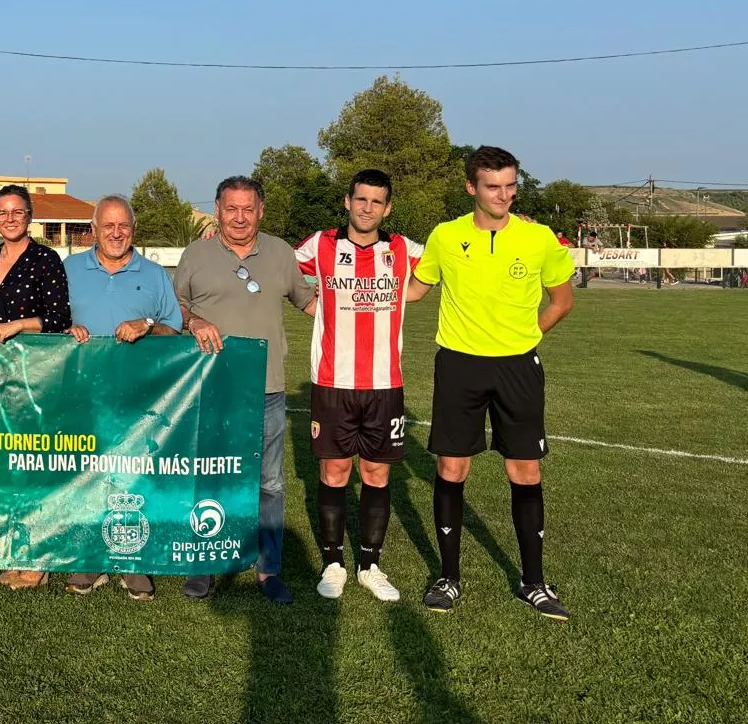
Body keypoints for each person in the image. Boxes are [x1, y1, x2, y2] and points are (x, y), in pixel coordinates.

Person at [404, 146, 576, 620]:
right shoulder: (445, 236)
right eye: (493, 187)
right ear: (471, 188)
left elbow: (561, 301)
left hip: (518, 367)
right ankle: (448, 577)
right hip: (458, 366)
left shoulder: (539, 238)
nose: (504, 195)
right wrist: (357, 286)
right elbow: (416, 290)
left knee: (525, 471)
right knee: (452, 468)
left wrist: (523, 338)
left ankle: (534, 582)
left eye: (511, 186)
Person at [175, 175, 316, 606]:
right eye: (230, 208)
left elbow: (309, 304)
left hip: (268, 389)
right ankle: (205, 564)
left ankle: (267, 569)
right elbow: (173, 307)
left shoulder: (279, 253)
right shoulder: (195, 255)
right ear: (217, 210)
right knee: (209, 478)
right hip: (211, 389)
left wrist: (362, 309)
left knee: (268, 484)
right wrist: (193, 320)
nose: (239, 217)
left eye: (247, 209)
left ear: (261, 211)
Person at [294, 169, 422, 603]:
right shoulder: (321, 245)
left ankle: (370, 565)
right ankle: (333, 563)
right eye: (361, 199)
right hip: (332, 382)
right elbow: (278, 270)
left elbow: (448, 264)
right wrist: (311, 305)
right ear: (347, 201)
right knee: (334, 471)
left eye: (377, 202)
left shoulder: (404, 249)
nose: (368, 208)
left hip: (386, 384)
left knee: (377, 472)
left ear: (387, 208)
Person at [63, 195, 182, 601]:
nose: (116, 233)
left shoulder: (153, 274)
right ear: (93, 229)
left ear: (134, 229)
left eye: (124, 226)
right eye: (108, 226)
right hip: (82, 391)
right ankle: (90, 559)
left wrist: (148, 324)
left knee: (133, 474)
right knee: (85, 473)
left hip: (139, 395)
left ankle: (134, 561)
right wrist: (67, 330)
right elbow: (52, 322)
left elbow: (174, 329)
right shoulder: (69, 269)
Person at [0, 183, 72, 590]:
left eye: (17, 212)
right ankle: (10, 549)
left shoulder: (46, 259)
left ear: (30, 216)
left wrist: (17, 326)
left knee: (32, 465)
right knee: (1, 466)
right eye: (2, 213)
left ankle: (37, 558)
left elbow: (59, 316)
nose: (9, 219)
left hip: (36, 374)